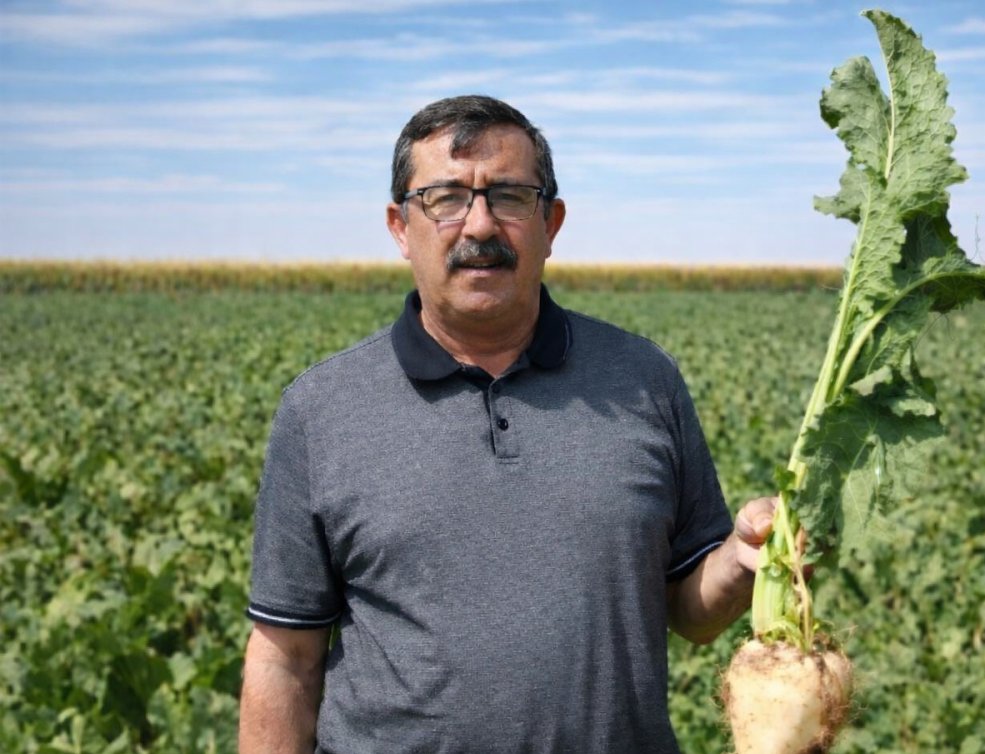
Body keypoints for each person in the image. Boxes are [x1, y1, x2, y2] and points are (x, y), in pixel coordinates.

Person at [238, 94, 776, 754]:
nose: (480, 225)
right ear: (400, 227)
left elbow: (691, 611)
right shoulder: (321, 409)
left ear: (551, 222)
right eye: (445, 198)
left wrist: (746, 561)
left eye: (511, 196)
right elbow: (284, 656)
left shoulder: (642, 380)